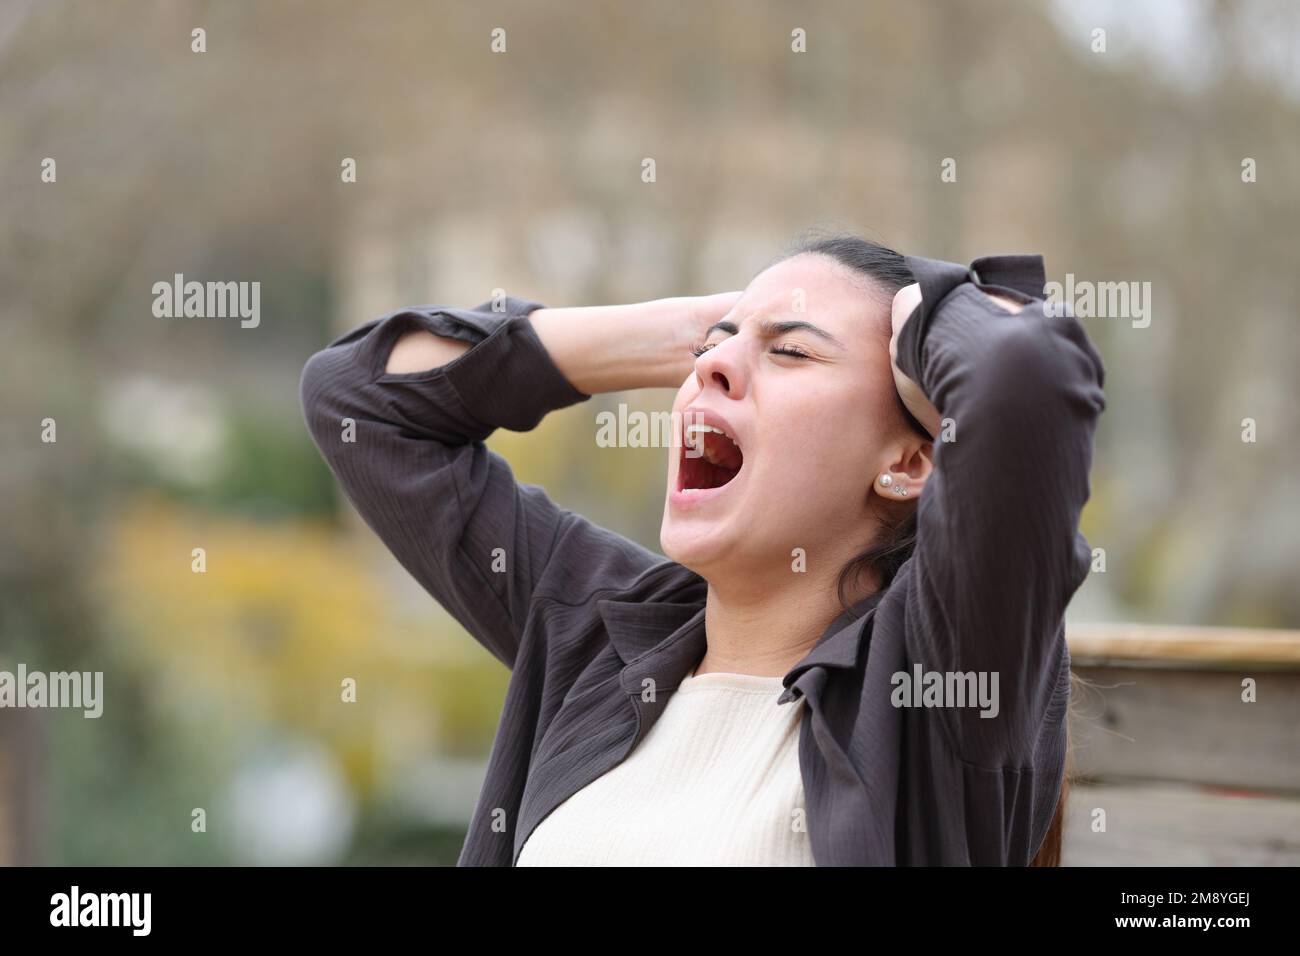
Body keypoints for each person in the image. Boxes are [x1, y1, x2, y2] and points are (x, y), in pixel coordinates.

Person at [299, 232, 1106, 865]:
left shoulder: (937, 681)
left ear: (908, 462)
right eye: (707, 353)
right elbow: (358, 401)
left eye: (791, 352)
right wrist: (690, 331)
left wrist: (929, 308)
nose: (711, 368)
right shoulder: (602, 632)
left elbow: (1025, 377)